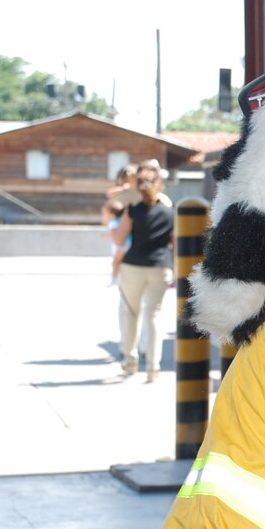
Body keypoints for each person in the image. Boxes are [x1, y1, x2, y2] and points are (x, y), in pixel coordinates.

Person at [114, 160, 174, 383]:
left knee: (131, 313)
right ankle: (153, 367)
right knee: (154, 316)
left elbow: (120, 239)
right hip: (161, 268)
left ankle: (130, 362)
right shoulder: (170, 211)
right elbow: (176, 245)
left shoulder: (132, 211)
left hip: (133, 267)